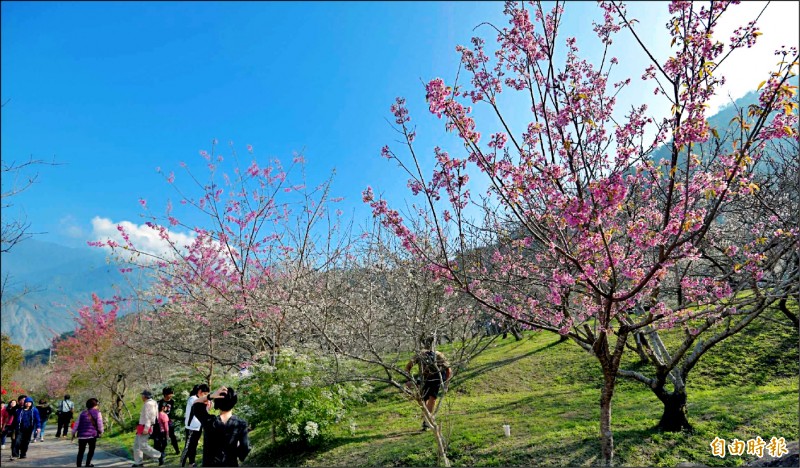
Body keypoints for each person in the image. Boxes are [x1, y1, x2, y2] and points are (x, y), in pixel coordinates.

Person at [192, 387, 251, 467]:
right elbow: (245, 448)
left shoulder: (209, 421)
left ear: (217, 403)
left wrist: (211, 396)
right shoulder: (240, 424)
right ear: (234, 402)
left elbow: (196, 404)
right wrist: (237, 451)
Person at [405, 339, 452, 431]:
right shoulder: (420, 355)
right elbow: (408, 367)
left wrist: (446, 384)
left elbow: (448, 369)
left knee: (432, 399)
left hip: (435, 379)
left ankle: (426, 422)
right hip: (424, 379)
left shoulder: (438, 355)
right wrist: (409, 380)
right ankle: (427, 419)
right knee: (423, 399)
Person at [180, 384, 210, 468]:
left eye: (207, 394)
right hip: (191, 427)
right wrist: (206, 401)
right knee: (188, 447)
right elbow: (197, 403)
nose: (206, 396)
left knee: (194, 446)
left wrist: (207, 406)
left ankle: (191, 463)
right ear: (200, 392)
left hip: (198, 426)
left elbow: (205, 412)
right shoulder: (192, 398)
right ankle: (182, 463)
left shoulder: (201, 400)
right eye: (205, 393)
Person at [132, 390, 162, 467]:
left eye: (142, 395)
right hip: (142, 426)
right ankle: (138, 462)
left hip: (145, 426)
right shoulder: (150, 403)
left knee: (142, 445)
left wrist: (146, 428)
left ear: (145, 396)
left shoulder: (149, 404)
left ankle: (159, 455)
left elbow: (149, 417)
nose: (141, 397)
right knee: (136, 445)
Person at [71, 398, 103, 468]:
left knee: (81, 451)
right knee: (91, 450)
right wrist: (101, 431)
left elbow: (76, 424)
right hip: (92, 435)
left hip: (82, 435)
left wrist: (73, 433)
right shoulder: (98, 413)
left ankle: (78, 465)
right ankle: (88, 464)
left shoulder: (82, 413)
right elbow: (100, 424)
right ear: (95, 405)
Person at [157, 387, 180, 455]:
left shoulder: (172, 401)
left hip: (169, 421)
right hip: (162, 423)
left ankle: (177, 450)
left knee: (172, 436)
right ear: (166, 394)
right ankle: (161, 452)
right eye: (170, 394)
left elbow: (172, 411)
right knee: (163, 438)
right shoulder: (160, 403)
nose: (172, 395)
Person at [152, 401, 170, 466]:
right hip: (162, 433)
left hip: (155, 433)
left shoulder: (155, 415)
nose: (166, 408)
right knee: (163, 445)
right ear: (163, 407)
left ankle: (160, 458)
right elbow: (166, 427)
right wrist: (167, 435)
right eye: (165, 407)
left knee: (157, 446)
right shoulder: (164, 415)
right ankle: (162, 456)